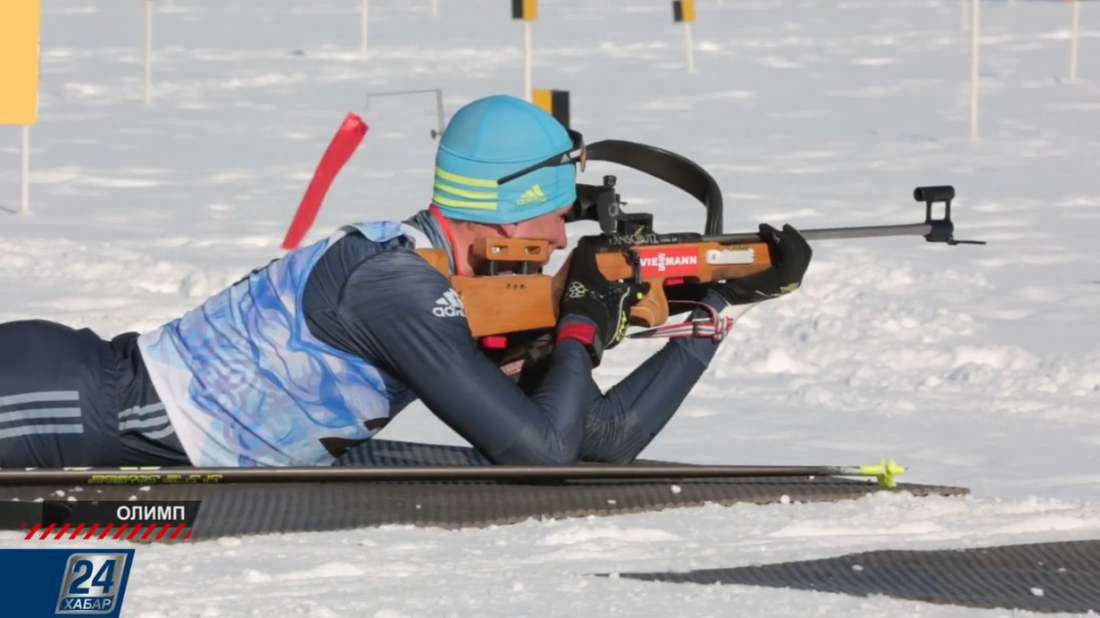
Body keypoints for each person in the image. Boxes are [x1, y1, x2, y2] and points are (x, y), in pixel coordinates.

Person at [0, 94, 812, 469]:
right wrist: (580, 326)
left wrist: (706, 309)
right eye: (555, 216)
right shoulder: (397, 288)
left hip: (91, 414)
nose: (565, 236)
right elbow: (537, 453)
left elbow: (592, 440)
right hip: (65, 406)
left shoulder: (463, 291)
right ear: (506, 214)